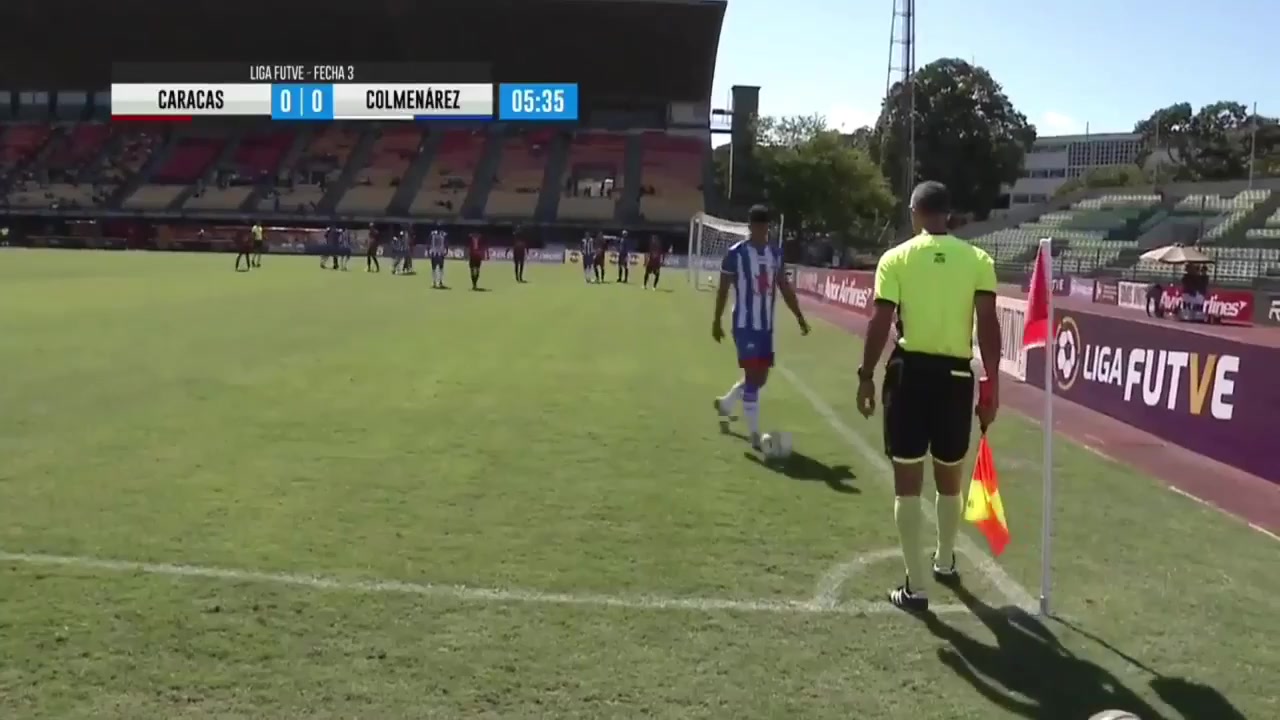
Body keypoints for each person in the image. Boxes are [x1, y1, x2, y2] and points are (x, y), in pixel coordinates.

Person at [855, 181, 1001, 612]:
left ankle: (916, 585)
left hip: (910, 375)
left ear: (915, 211)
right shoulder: (978, 260)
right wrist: (992, 382)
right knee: (949, 475)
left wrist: (865, 376)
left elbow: (880, 321)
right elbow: (988, 325)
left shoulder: (895, 258)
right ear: (948, 214)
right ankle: (945, 559)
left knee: (907, 480)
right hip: (957, 377)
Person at [711, 205, 810, 449]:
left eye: (766, 226)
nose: (762, 230)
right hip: (744, 324)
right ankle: (755, 436)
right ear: (751, 227)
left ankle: (727, 402)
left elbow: (784, 288)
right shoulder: (736, 253)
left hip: (765, 326)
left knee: (760, 378)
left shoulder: (775, 254)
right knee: (754, 377)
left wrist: (799, 316)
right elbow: (723, 289)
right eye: (759, 226)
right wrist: (716, 320)